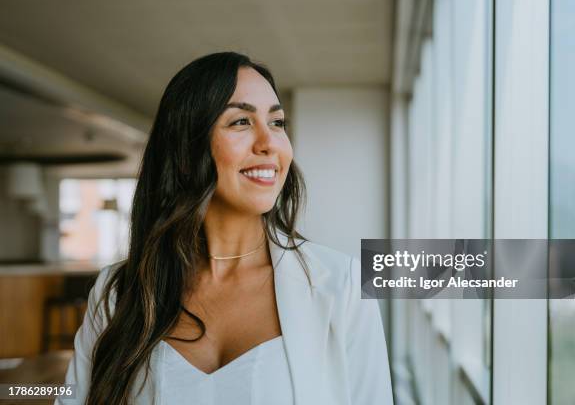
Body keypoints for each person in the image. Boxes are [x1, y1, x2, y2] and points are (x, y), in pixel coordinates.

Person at [57, 52, 393, 405]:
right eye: (241, 122)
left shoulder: (341, 285)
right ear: (187, 150)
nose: (269, 143)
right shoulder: (118, 293)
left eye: (277, 122)